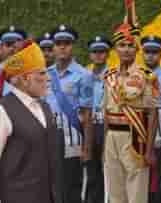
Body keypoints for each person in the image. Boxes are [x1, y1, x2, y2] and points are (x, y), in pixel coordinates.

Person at [0, 41, 63, 203]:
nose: (47, 78)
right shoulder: (0, 111)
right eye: (41, 73)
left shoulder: (45, 107)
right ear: (25, 79)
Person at [103, 22, 160, 203]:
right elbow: (106, 111)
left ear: (136, 49)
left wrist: (149, 150)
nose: (126, 50)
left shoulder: (147, 76)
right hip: (112, 135)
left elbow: (152, 114)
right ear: (116, 49)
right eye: (122, 45)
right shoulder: (109, 76)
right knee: (115, 191)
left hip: (135, 136)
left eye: (130, 46)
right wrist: (105, 143)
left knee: (136, 192)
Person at [46, 24, 94, 203]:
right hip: (49, 139)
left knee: (72, 189)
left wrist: (87, 148)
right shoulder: (45, 74)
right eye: (58, 43)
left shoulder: (84, 75)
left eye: (66, 42)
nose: (62, 47)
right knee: (51, 189)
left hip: (72, 140)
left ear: (72, 46)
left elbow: (87, 114)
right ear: (53, 47)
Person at [140, 35, 161, 203]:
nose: (150, 56)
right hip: (139, 132)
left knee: (156, 178)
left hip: (160, 134)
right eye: (147, 52)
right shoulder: (136, 75)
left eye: (154, 52)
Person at [84, 35, 113, 203]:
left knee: (108, 170)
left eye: (102, 51)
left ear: (108, 54)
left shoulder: (113, 76)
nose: (98, 55)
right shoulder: (84, 76)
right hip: (89, 127)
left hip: (106, 127)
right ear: (90, 54)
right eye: (95, 51)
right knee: (91, 170)